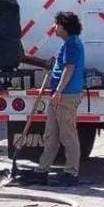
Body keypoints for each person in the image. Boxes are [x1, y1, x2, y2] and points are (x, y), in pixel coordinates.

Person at [35, 10, 85, 187]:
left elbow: (69, 69)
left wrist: (58, 91)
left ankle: (71, 173)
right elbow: (63, 65)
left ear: (64, 26)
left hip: (66, 96)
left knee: (67, 135)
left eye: (56, 24)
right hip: (58, 95)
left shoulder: (72, 44)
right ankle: (42, 170)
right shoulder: (67, 44)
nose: (54, 27)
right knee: (51, 135)